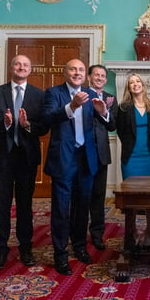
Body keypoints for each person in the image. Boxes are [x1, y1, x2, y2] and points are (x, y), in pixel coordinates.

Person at [43, 59, 110, 275]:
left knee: (82, 206)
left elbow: (105, 123)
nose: (77, 73)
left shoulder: (92, 95)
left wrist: (103, 112)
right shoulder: (54, 93)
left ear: (85, 75)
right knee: (62, 208)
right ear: (65, 72)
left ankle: (80, 246)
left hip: (86, 157)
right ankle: (60, 254)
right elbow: (47, 118)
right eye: (73, 69)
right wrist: (71, 106)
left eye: (81, 70)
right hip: (64, 158)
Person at [0, 55, 48, 271]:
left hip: (27, 158)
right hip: (3, 157)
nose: (21, 67)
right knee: (1, 205)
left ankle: (26, 248)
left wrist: (27, 125)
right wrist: (4, 123)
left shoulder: (39, 96)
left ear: (30, 69)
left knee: (25, 205)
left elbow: (44, 127)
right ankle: (0, 250)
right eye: (18, 64)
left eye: (25, 65)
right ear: (11, 67)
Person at [76, 64, 117, 252]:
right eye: (96, 75)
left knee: (99, 197)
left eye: (103, 76)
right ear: (89, 77)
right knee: (82, 196)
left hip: (101, 153)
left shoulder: (110, 98)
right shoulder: (81, 94)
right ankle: (78, 235)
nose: (100, 78)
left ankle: (97, 234)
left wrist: (105, 112)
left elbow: (112, 126)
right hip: (82, 153)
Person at [116, 73, 150, 248]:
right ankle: (132, 230)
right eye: (131, 82)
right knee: (131, 198)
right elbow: (119, 131)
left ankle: (148, 231)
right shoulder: (123, 108)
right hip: (131, 158)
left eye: (138, 81)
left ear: (143, 84)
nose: (135, 84)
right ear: (128, 87)